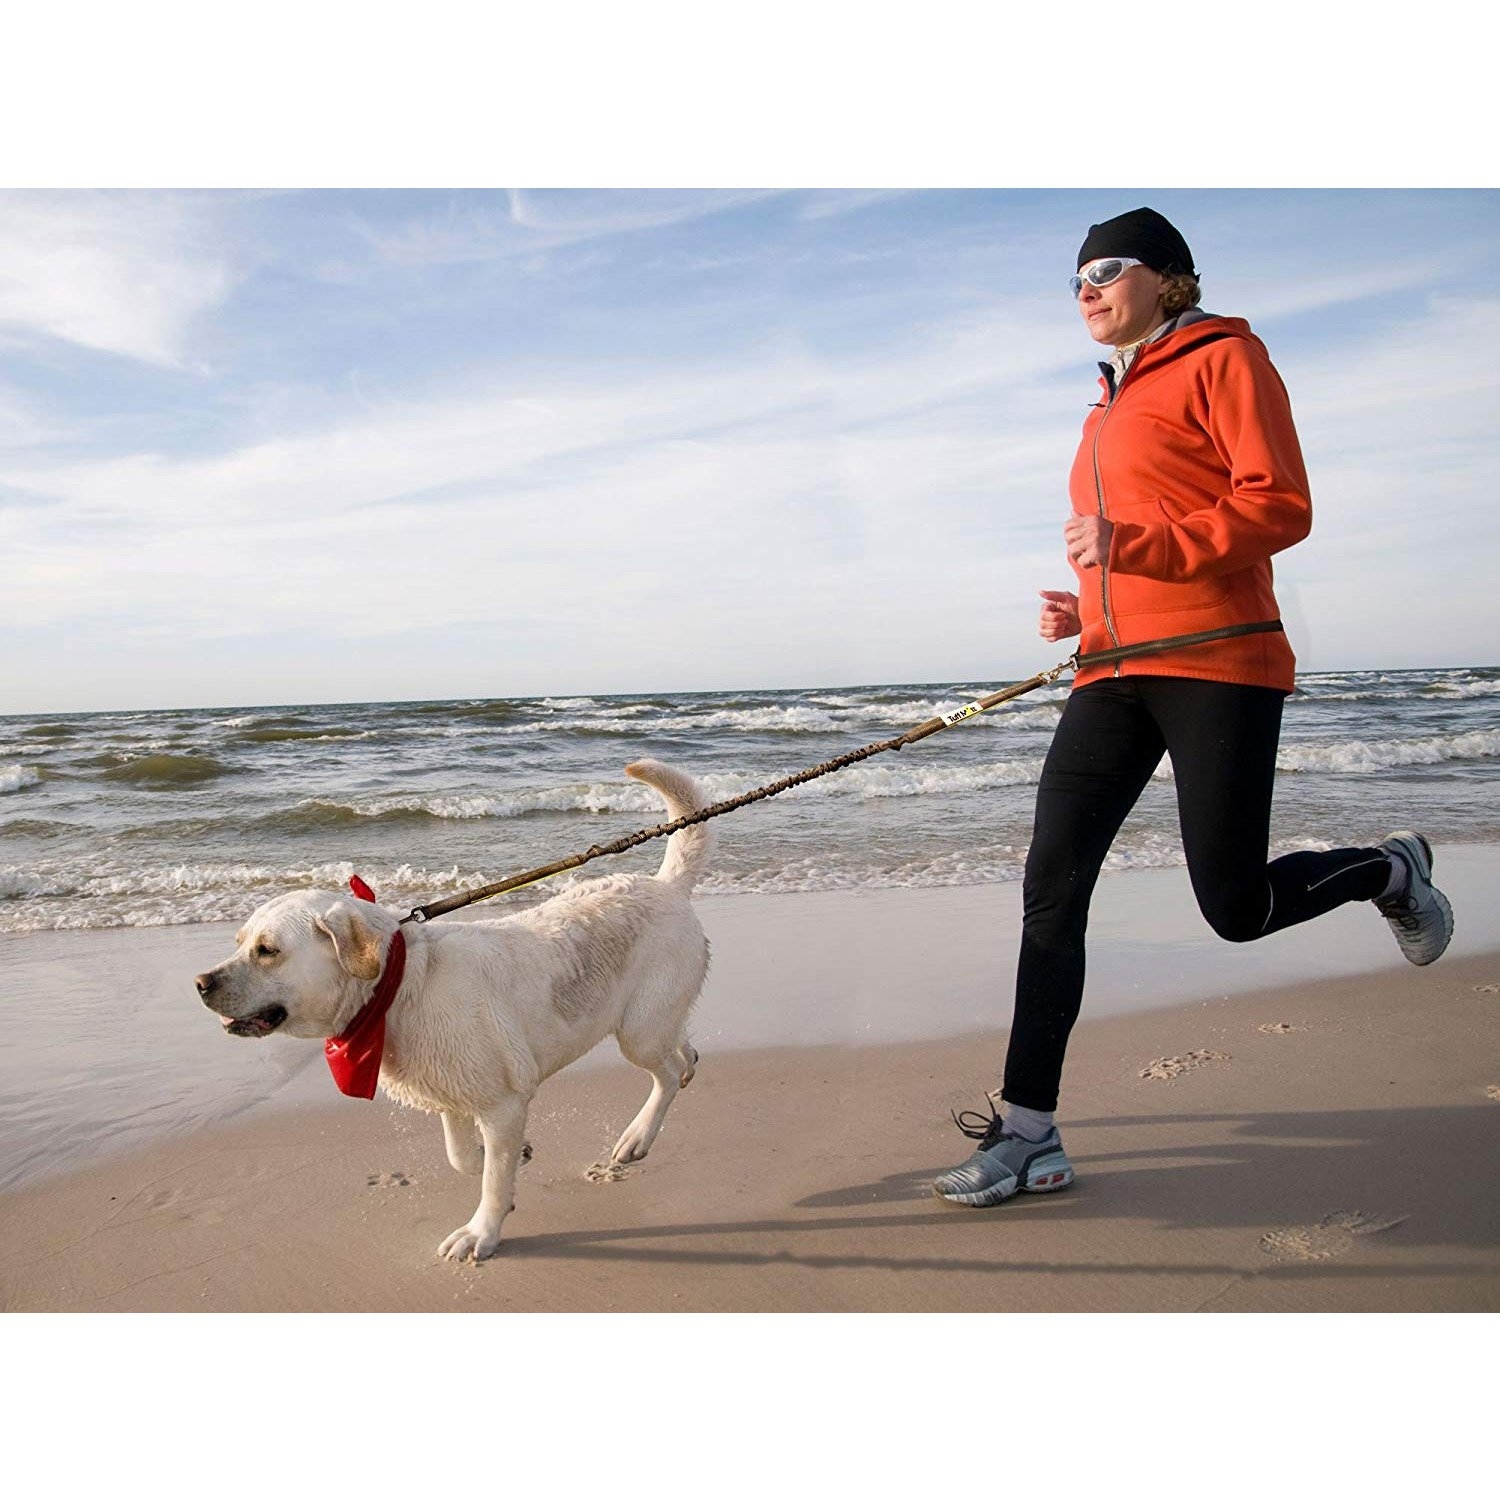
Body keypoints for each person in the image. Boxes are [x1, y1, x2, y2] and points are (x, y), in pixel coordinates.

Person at [932, 206, 1455, 1209]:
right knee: (1051, 886)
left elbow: (1279, 504)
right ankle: (1028, 1133)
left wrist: (1133, 552)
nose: (1086, 290)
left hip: (1221, 665)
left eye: (1107, 271)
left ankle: (1392, 869)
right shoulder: (1105, 403)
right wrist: (1085, 605)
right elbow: (1143, 539)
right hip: (1112, 670)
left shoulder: (1227, 360)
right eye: (1076, 279)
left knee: (1236, 909)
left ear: (1170, 279)